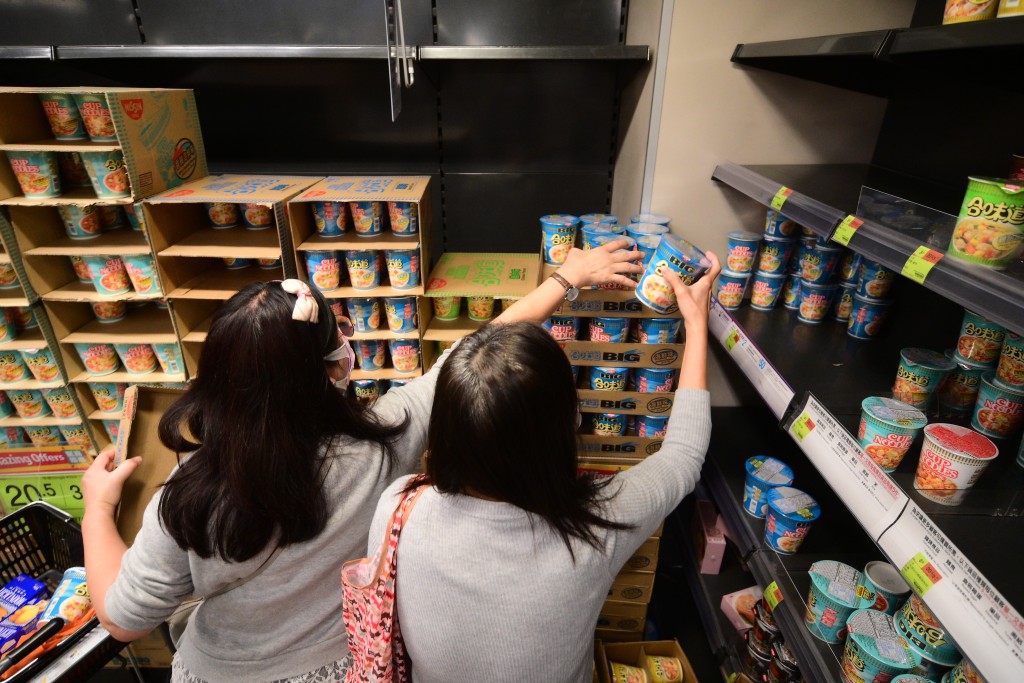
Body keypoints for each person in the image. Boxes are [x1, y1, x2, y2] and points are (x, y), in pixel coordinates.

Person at [81, 240, 642, 683]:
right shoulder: (379, 447)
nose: (348, 338)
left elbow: (123, 620)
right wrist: (566, 278)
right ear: (331, 368)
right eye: (339, 334)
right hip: (352, 666)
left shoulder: (189, 493)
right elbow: (472, 352)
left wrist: (98, 511)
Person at [366, 251, 721, 682]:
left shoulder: (399, 507)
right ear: (562, 431)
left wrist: (565, 278)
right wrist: (697, 324)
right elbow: (683, 456)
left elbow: (463, 362)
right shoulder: (595, 523)